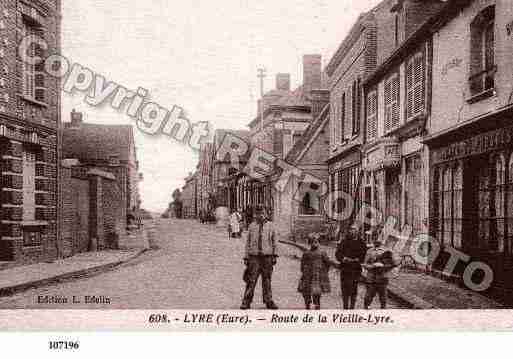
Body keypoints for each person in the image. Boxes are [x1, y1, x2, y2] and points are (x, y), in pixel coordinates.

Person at [240, 206, 279, 310]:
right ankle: (246, 301)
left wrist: (275, 255)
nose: (260, 215)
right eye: (258, 213)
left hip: (267, 257)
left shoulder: (271, 226)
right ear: (255, 214)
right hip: (254, 258)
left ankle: (269, 301)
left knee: (267, 280)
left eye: (262, 213)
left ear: (266, 214)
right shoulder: (252, 226)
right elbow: (248, 243)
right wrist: (246, 256)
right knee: (251, 280)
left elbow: (275, 242)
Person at [335, 223, 367, 309]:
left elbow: (364, 255)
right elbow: (338, 253)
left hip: (355, 270)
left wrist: (359, 260)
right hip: (345, 269)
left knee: (353, 289)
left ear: (358, 231)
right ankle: (345, 307)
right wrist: (343, 258)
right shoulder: (344, 242)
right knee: (345, 289)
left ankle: (352, 307)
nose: (352, 231)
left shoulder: (362, 243)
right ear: (349, 231)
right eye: (351, 229)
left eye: (354, 229)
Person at [298, 237, 334, 310]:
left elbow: (328, 263)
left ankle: (317, 305)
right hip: (307, 275)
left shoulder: (322, 253)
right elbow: (302, 264)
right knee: (305, 292)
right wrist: (304, 272)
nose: (315, 244)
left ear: (318, 243)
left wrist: (324, 272)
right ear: (310, 243)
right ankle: (307, 304)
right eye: (313, 242)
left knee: (316, 293)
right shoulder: (306, 253)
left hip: (317, 276)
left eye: (316, 242)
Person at [363, 237, 398, 309]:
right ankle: (366, 310)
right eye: (375, 239)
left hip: (383, 277)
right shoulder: (369, 251)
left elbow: (394, 264)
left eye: (379, 239)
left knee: (383, 298)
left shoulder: (388, 251)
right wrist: (372, 266)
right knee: (368, 297)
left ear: (382, 240)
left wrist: (384, 266)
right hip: (371, 278)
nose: (377, 241)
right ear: (373, 240)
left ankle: (383, 313)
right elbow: (365, 264)